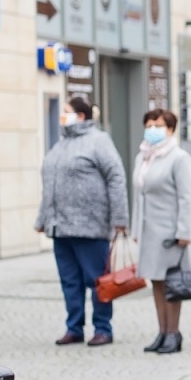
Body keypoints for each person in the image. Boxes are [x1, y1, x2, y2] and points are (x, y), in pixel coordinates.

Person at [35, 97, 128, 347]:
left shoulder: (99, 141)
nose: (62, 116)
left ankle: (103, 327)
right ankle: (74, 327)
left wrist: (120, 219)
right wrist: (42, 218)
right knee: (69, 281)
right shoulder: (61, 144)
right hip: (61, 227)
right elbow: (50, 185)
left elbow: (116, 177)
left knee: (98, 280)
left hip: (90, 225)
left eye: (67, 112)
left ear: (82, 115)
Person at [132, 109, 191, 355]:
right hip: (149, 232)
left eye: (158, 125)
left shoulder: (179, 158)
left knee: (172, 283)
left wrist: (184, 231)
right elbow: (139, 195)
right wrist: (137, 228)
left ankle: (173, 333)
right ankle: (161, 331)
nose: (152, 129)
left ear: (170, 129)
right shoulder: (143, 157)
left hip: (170, 233)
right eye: (149, 124)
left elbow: (186, 197)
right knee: (156, 282)